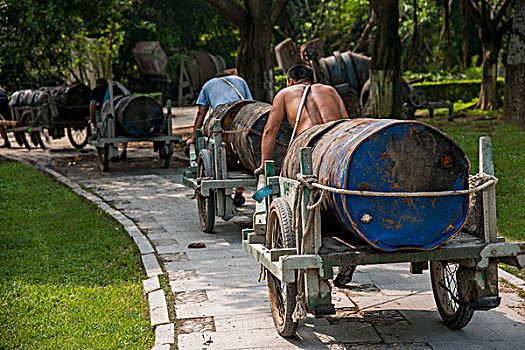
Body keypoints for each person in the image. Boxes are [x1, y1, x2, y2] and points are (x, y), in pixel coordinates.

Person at [257, 64, 349, 174]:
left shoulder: (284, 93)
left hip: (310, 144)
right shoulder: (330, 90)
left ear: (290, 81)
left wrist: (264, 166)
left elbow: (270, 130)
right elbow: (346, 122)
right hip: (336, 141)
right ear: (313, 80)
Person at [186, 70, 253, 207]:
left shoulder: (208, 84)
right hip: (243, 119)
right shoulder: (239, 80)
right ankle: (239, 193)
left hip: (222, 121)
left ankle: (224, 181)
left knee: (221, 150)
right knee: (242, 150)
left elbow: (201, 112)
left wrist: (193, 137)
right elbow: (250, 104)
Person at [89, 78, 128, 161]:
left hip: (107, 114)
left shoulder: (96, 91)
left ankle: (114, 153)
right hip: (121, 113)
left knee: (109, 131)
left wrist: (91, 119)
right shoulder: (117, 89)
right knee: (124, 129)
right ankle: (124, 150)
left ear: (97, 84)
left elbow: (92, 105)